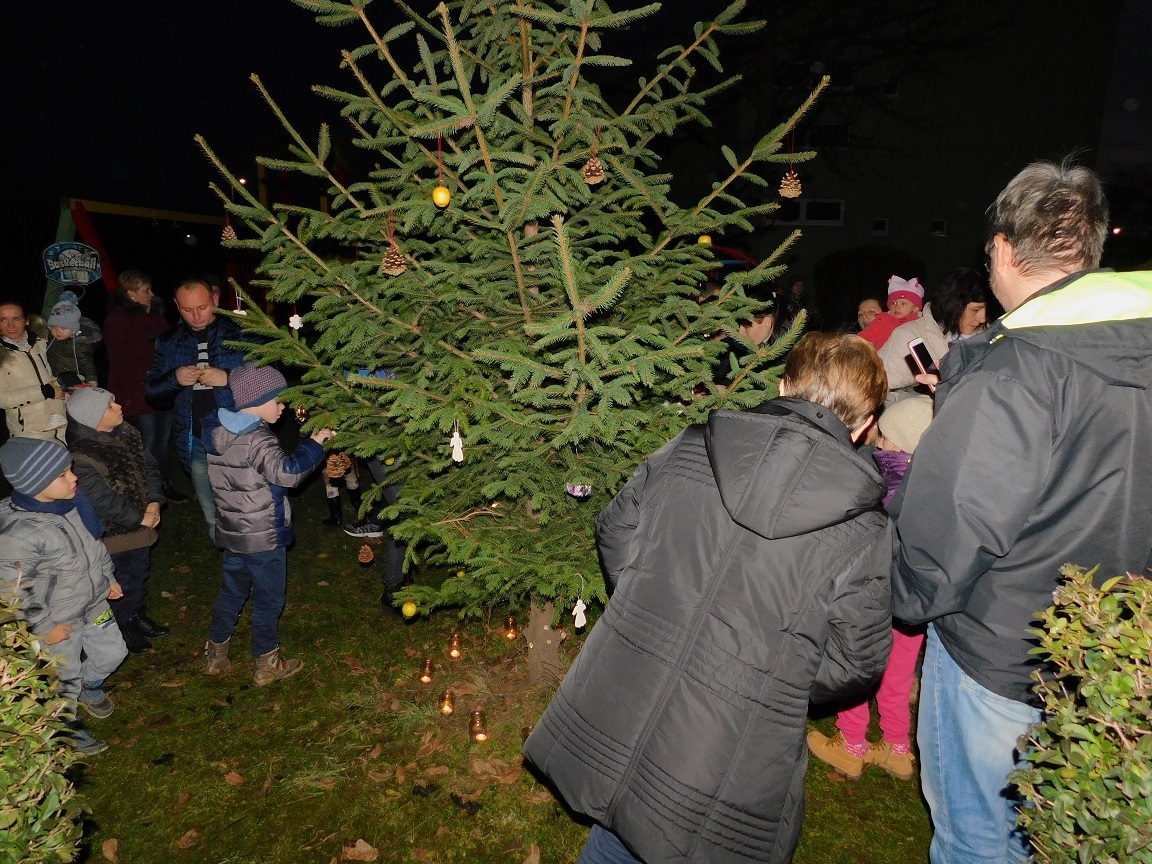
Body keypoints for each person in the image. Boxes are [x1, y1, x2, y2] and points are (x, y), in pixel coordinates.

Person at [524, 332, 894, 864]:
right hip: (731, 740)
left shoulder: (690, 447)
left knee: (624, 832)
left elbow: (617, 528)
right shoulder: (864, 529)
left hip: (633, 693)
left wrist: (650, 602)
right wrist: (778, 674)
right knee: (677, 833)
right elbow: (854, 659)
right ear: (863, 425)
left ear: (783, 386)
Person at [891, 160, 1152, 862]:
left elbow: (953, 526)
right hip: (1110, 657)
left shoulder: (1015, 369)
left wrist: (903, 594)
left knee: (981, 839)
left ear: (1004, 250)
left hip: (1003, 654)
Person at [807, 394, 934, 781]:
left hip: (873, 600)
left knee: (857, 669)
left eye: (884, 433)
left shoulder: (879, 480)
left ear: (898, 442)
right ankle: (897, 748)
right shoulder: (935, 486)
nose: (877, 437)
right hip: (911, 605)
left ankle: (852, 746)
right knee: (897, 677)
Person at [200, 362, 334, 685]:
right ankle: (267, 664)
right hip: (264, 537)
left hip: (232, 534)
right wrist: (315, 443)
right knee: (268, 600)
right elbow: (287, 473)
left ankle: (215, 656)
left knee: (232, 593)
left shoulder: (218, 431)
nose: (283, 406)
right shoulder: (258, 439)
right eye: (277, 399)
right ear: (257, 400)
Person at [0, 436, 128, 755]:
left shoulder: (73, 504)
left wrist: (108, 578)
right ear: (35, 483)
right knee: (63, 678)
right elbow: (14, 589)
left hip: (94, 602)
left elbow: (94, 546)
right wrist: (44, 628)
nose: (74, 478)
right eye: (62, 474)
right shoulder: (18, 534)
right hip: (59, 622)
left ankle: (90, 685)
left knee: (114, 652)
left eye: (70, 469)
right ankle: (66, 726)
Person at [144, 277, 250, 542]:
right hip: (196, 441)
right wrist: (175, 379)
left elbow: (270, 380)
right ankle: (228, 559)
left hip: (240, 437)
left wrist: (228, 378)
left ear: (215, 299)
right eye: (187, 309)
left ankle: (250, 556)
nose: (196, 316)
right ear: (176, 306)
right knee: (212, 515)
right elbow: (152, 393)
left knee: (247, 508)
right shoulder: (168, 342)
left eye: (202, 307)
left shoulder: (241, 332)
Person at [66, 386, 169, 656]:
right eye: (110, 406)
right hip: (114, 534)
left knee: (139, 572)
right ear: (93, 418)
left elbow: (149, 467)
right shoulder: (82, 455)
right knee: (120, 580)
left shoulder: (128, 433)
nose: (120, 407)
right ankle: (124, 624)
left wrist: (154, 500)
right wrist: (138, 517)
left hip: (142, 524)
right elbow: (101, 500)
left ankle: (137, 614)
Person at [105, 270, 187, 503]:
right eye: (145, 290)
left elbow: (171, 341)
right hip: (136, 393)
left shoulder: (155, 315)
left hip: (162, 388)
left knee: (162, 441)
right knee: (146, 444)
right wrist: (156, 347)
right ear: (131, 294)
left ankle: (164, 483)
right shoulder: (117, 319)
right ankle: (146, 489)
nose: (151, 294)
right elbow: (123, 357)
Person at [878, 267, 990, 395]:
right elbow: (876, 387)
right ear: (953, 305)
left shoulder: (992, 335)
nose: (982, 318)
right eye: (975, 310)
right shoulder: (909, 335)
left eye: (986, 309)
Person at [0, 300, 67, 441]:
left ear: (27, 321)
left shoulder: (42, 343)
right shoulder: (1, 356)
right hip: (30, 433)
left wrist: (73, 386)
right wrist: (44, 391)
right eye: (3, 320)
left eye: (16, 319)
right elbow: (3, 399)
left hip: (62, 426)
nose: (10, 325)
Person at [45, 290, 102, 390]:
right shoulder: (50, 340)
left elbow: (86, 362)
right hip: (55, 380)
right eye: (54, 327)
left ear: (73, 329)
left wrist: (91, 379)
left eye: (63, 328)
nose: (58, 331)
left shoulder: (80, 344)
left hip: (76, 381)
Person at [858, 275, 924, 350]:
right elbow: (866, 335)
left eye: (903, 303)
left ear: (915, 308)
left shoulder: (920, 325)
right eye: (893, 303)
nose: (897, 307)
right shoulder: (881, 322)